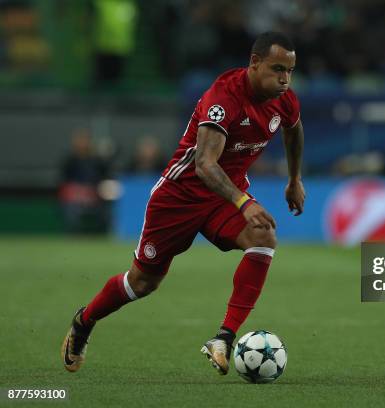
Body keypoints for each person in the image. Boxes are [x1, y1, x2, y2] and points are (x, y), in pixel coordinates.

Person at [62, 32, 305, 376]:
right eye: (277, 68)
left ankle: (224, 337)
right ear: (254, 63)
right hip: (179, 197)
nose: (284, 78)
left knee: (263, 237)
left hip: (224, 198)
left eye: (290, 70)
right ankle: (85, 320)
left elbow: (294, 131)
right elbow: (205, 165)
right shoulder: (223, 98)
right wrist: (244, 203)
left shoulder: (284, 99)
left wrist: (294, 179)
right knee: (141, 284)